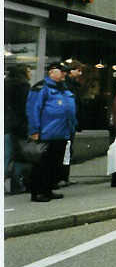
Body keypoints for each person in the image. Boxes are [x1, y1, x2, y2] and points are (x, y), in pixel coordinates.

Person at [25, 62, 77, 202]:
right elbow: (33, 109)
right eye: (62, 71)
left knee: (55, 164)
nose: (65, 74)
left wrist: (72, 127)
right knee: (42, 164)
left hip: (62, 132)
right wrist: (34, 130)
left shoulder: (63, 88)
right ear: (52, 72)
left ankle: (47, 189)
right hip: (46, 132)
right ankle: (38, 192)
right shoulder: (41, 88)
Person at [5, 64, 32, 194]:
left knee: (6, 155)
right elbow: (25, 107)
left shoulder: (5, 84)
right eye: (28, 71)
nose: (30, 73)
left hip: (6, 125)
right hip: (19, 125)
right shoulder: (23, 86)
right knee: (20, 155)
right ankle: (16, 184)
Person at [57, 59, 85, 187]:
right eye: (78, 70)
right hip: (66, 123)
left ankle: (64, 176)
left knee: (67, 150)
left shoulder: (72, 85)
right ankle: (61, 177)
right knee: (65, 150)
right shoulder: (68, 85)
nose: (80, 73)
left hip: (70, 122)